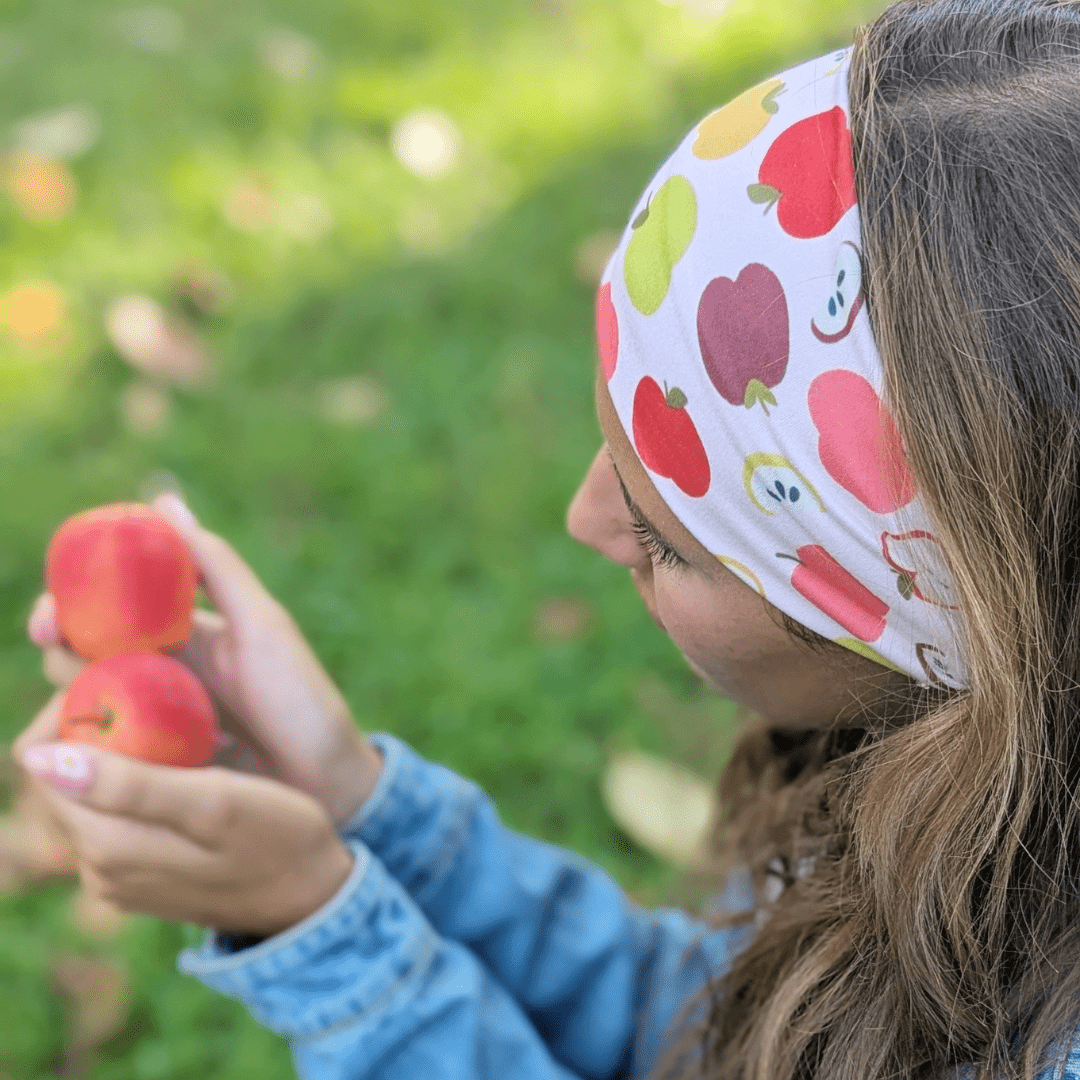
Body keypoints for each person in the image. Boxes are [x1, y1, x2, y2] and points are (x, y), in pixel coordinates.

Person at [15, 1, 1080, 1076]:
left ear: (921, 630)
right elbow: (722, 1030)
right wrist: (356, 805)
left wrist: (326, 943)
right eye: (617, 459)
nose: (584, 521)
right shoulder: (925, 759)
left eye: (672, 540)